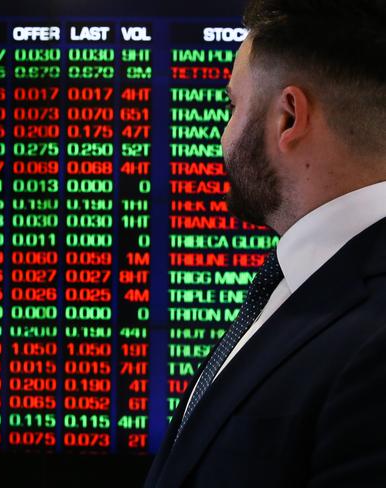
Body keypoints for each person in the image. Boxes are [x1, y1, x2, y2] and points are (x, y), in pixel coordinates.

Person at [145, 0, 386, 486]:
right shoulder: (300, 281)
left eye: (232, 105)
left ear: (288, 116)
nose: (225, 133)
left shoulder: (374, 336)